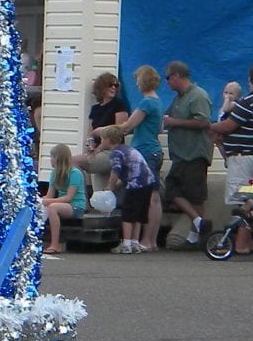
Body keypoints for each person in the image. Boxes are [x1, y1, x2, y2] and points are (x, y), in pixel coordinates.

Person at [213, 62, 253, 253]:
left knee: (242, 199)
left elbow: (228, 126)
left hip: (243, 158)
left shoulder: (249, 101)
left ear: (250, 80)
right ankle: (247, 242)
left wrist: (207, 127)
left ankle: (240, 245)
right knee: (249, 195)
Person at [160, 60, 214, 247]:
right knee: (177, 190)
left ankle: (197, 233)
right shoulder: (178, 98)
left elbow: (203, 122)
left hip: (194, 153)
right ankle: (198, 227)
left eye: (168, 78)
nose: (166, 82)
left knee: (192, 195)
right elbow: (165, 117)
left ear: (177, 76)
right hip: (180, 154)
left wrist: (174, 122)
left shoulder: (198, 96)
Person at [87, 125, 159, 253]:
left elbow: (116, 171)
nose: (101, 142)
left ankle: (126, 243)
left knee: (128, 214)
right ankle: (135, 242)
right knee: (138, 214)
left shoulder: (116, 153)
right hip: (148, 182)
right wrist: (117, 186)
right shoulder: (127, 149)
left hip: (135, 185)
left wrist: (110, 187)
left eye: (102, 139)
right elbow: (128, 173)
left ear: (109, 140)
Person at [120, 64, 166, 245]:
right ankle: (151, 240)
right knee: (153, 195)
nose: (136, 84)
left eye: (138, 80)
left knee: (149, 197)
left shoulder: (146, 102)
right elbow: (161, 127)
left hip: (145, 152)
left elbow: (128, 126)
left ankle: (147, 240)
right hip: (154, 150)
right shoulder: (158, 102)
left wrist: (103, 131)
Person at [40, 143, 85, 255]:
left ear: (58, 158)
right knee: (39, 207)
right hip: (62, 203)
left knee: (52, 208)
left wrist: (47, 202)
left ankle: (55, 244)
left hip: (76, 205)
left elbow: (68, 198)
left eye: (52, 157)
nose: (50, 160)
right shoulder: (54, 173)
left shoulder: (75, 173)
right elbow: (49, 195)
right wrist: (37, 200)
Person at [85, 71, 128, 150]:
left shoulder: (119, 104)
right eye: (110, 85)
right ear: (102, 87)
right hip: (96, 149)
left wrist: (99, 131)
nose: (113, 87)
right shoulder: (95, 108)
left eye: (116, 85)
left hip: (112, 149)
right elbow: (90, 133)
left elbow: (120, 130)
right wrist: (90, 145)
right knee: (74, 160)